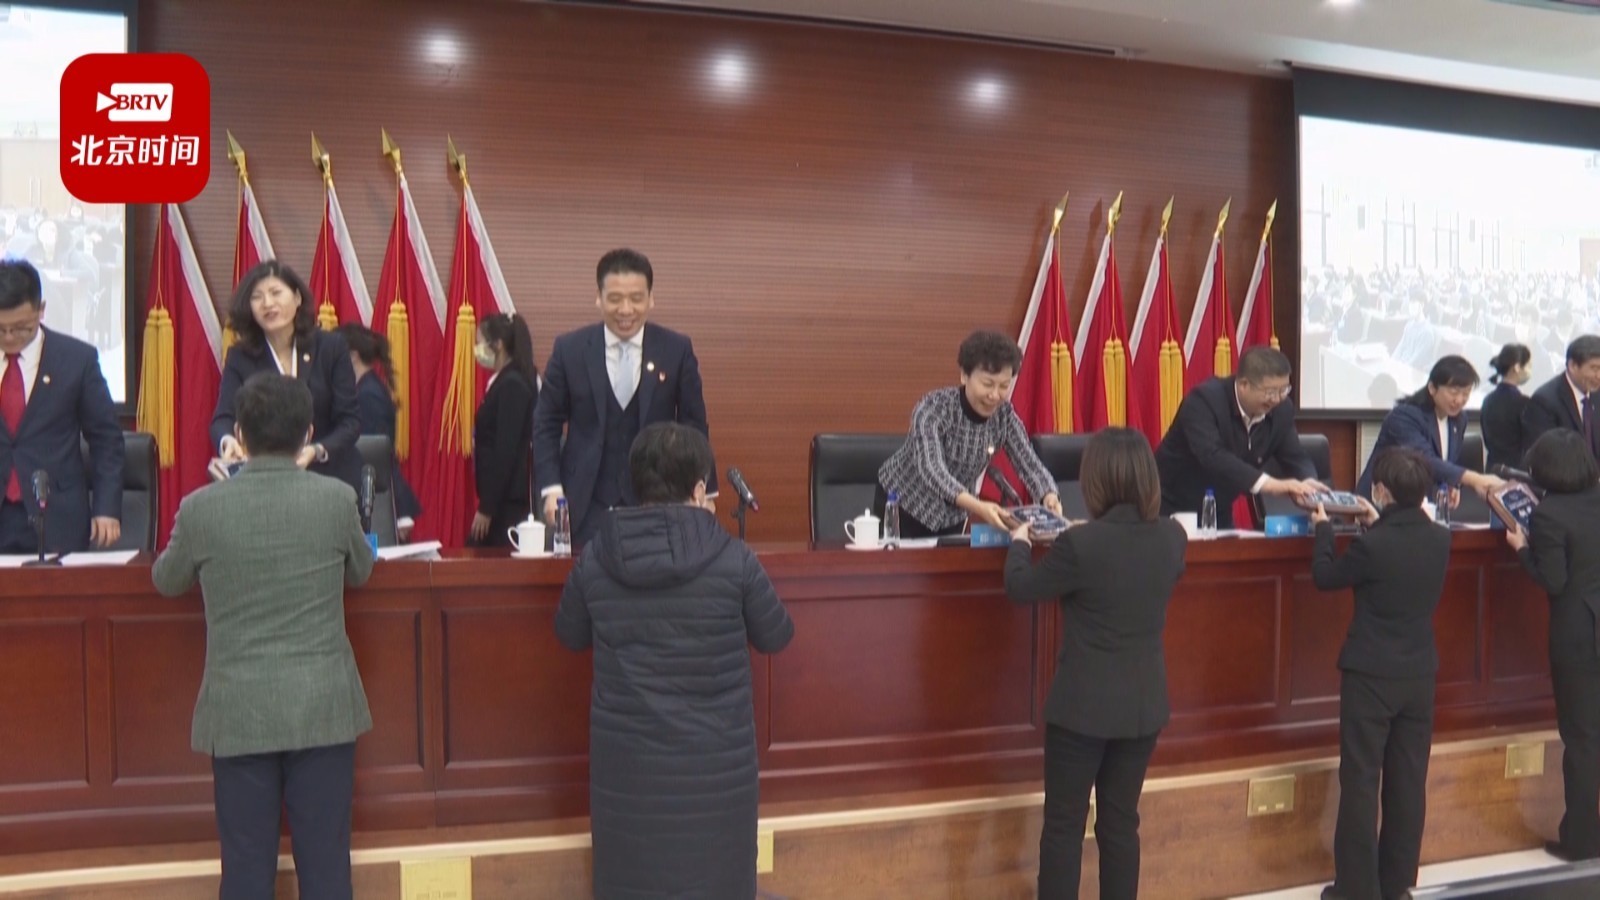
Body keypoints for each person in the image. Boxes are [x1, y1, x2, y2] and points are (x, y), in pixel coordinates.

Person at [152, 373, 374, 900]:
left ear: (239, 438)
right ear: (309, 434)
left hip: (239, 710)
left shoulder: (201, 507)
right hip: (321, 706)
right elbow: (361, 571)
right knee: (326, 869)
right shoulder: (337, 499)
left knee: (246, 871)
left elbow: (166, 580)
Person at [553, 422, 793, 899]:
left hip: (628, 773)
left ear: (634, 484)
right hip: (716, 771)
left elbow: (569, 634)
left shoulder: (596, 558)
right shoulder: (734, 559)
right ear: (700, 489)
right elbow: (776, 635)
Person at [1003, 427, 1186, 900]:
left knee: (1064, 826)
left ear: (1095, 479)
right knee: (1121, 824)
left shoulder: (1080, 545)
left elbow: (1022, 588)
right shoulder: (1173, 537)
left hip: (1082, 711)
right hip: (1143, 707)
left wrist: (1020, 540)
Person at [1309, 449, 1451, 900]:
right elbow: (1401, 553)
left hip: (1371, 674)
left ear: (1381, 491)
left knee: (1362, 780)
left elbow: (1325, 576)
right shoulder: (1440, 538)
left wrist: (1323, 530)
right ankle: (1398, 884)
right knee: (1408, 781)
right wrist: (1378, 522)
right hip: (1419, 673)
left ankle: (1355, 888)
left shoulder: (1371, 546)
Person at [534, 249, 715, 545]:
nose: (626, 310)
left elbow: (694, 425)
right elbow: (545, 423)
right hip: (583, 502)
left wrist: (705, 491)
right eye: (615, 299)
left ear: (651, 299)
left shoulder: (676, 349)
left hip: (659, 499)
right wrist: (551, 489)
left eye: (636, 298)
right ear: (599, 298)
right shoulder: (570, 350)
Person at [1506, 429, 1600, 862]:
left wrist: (1522, 548)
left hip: (1578, 637)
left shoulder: (1548, 514)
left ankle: (1581, 840)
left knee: (1581, 740)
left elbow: (1554, 580)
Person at [877, 330, 1062, 536]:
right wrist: (978, 506)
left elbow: (1029, 462)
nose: (995, 395)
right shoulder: (934, 407)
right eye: (987, 384)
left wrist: (1048, 494)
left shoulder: (1004, 416)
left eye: (1004, 386)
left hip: (954, 513)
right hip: (903, 503)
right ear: (964, 376)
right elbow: (932, 469)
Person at [0, 258, 122, 554]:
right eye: (0, 329)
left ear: (41, 310)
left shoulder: (76, 360)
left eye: (21, 328)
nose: (9, 337)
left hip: (55, 516)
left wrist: (106, 508)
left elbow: (106, 439)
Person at [211, 261, 363, 495]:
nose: (267, 303)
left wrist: (316, 450)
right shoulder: (240, 356)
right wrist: (228, 441)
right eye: (257, 297)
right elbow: (223, 418)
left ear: (297, 298)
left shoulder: (330, 347)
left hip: (329, 479)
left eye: (275, 293)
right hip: (265, 485)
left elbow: (350, 422)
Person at [1154, 346, 1326, 528]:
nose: (1277, 399)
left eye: (1284, 390)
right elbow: (1213, 456)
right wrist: (1271, 485)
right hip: (1171, 505)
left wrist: (1308, 482)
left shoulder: (1281, 410)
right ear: (1244, 385)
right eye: (1270, 392)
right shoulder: (1204, 401)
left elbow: (1295, 455)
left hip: (1218, 508)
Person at [1355, 356, 1504, 503]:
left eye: (1466, 393)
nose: (1459, 400)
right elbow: (1425, 460)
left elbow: (1446, 462)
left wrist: (1452, 484)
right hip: (1385, 500)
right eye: (1454, 392)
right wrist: (1475, 479)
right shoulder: (1404, 416)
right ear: (1432, 388)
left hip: (1420, 502)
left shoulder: (1459, 420)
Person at [335, 324, 421, 540]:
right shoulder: (363, 389)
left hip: (377, 499)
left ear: (352, 355)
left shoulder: (368, 395)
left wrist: (399, 509)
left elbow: (377, 456)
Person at [469, 312, 538, 546]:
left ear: (497, 344)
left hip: (507, 504)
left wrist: (487, 508)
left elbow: (505, 451)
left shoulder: (512, 385)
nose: (476, 349)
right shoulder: (503, 381)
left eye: (479, 342)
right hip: (499, 500)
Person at [1522, 334, 1600, 464]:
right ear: (1573, 366)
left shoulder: (1596, 393)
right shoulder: (1544, 401)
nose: (1599, 376)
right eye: (1594, 369)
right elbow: (1546, 458)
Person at [1480, 343, 1532, 471]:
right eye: (1529, 366)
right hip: (1517, 472)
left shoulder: (1487, 400)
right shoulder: (1523, 403)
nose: (1530, 371)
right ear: (1517, 367)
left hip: (1492, 469)